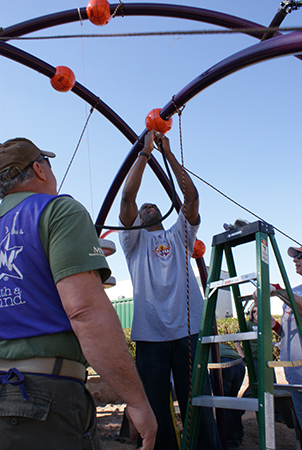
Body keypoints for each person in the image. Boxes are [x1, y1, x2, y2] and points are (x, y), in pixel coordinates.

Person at [0, 137, 157, 450]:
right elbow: (86, 312)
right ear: (39, 169)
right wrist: (137, 402)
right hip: (45, 401)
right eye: (48, 163)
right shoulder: (59, 211)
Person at [118, 130, 222, 449]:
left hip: (186, 331)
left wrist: (167, 153)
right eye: (143, 206)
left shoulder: (180, 236)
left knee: (198, 405)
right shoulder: (133, 241)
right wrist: (145, 153)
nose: (147, 206)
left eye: (152, 205)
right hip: (149, 335)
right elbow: (126, 199)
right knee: (155, 409)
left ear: (163, 213)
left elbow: (191, 200)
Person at [279, 245, 302, 429]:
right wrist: (275, 326)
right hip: (294, 374)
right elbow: (287, 334)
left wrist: (279, 291)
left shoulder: (290, 293)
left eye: (300, 256)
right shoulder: (294, 290)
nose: (295, 260)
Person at [211, 344, 245, 449]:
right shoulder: (220, 344)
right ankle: (238, 436)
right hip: (239, 365)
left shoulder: (198, 344)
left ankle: (229, 441)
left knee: (223, 404)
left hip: (222, 364)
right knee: (232, 401)